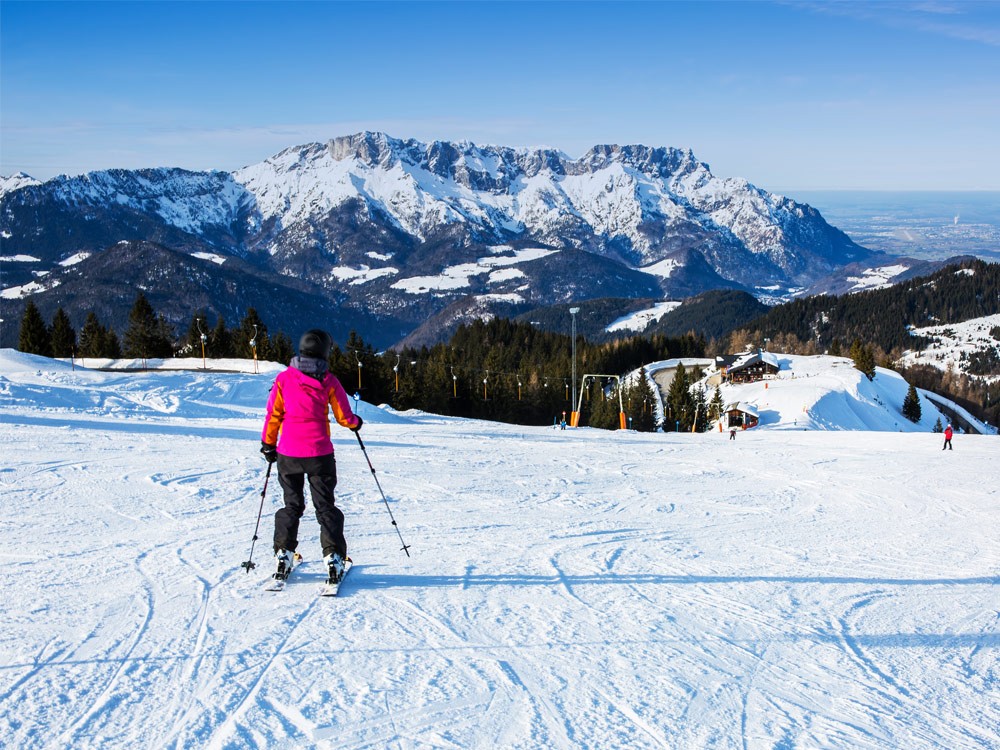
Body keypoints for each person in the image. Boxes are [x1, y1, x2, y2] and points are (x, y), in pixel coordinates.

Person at [260, 329, 362, 585]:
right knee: (325, 506)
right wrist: (355, 423)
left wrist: (268, 444)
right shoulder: (328, 380)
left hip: (288, 454)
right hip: (319, 454)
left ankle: (283, 553)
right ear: (325, 351)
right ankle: (333, 558)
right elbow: (343, 416)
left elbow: (273, 414)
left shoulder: (284, 379)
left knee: (291, 505)